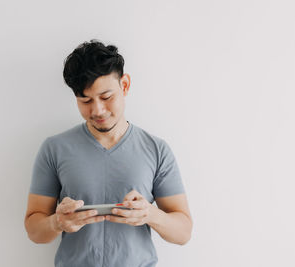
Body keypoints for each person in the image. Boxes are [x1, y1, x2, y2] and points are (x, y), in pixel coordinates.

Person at [24, 39, 193, 267]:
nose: (97, 110)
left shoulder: (157, 150)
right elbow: (34, 230)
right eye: (85, 100)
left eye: (106, 97)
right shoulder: (54, 149)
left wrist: (150, 215)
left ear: (124, 85)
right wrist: (57, 222)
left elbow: (183, 232)